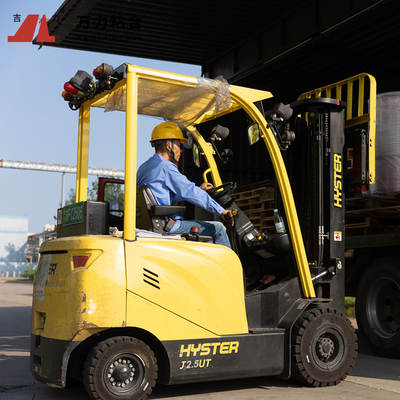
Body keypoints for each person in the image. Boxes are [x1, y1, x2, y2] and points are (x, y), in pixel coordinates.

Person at [137, 121, 232, 248]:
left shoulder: (144, 167)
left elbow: (160, 194)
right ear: (168, 145)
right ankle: (229, 267)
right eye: (178, 145)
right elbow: (189, 191)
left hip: (150, 223)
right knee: (219, 228)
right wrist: (221, 211)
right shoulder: (166, 167)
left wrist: (199, 189)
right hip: (166, 225)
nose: (181, 150)